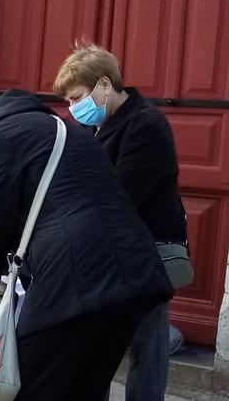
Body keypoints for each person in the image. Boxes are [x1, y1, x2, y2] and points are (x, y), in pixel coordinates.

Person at [0, 83, 174, 400]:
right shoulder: (60, 127)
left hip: (78, 278)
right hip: (134, 273)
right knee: (82, 390)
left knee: (22, 388)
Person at [54, 44, 187, 401]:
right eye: (67, 101)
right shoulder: (94, 125)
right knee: (102, 345)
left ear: (104, 85)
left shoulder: (145, 124)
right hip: (109, 250)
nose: (73, 107)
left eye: (77, 97)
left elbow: (120, 195)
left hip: (143, 250)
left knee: (147, 348)